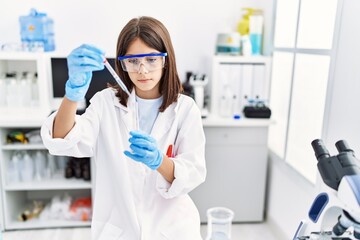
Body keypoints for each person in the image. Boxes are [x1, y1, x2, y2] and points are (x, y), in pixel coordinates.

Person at [41, 16, 206, 240]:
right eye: (133, 60)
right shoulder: (105, 103)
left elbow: (192, 173)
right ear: (122, 63)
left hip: (172, 229)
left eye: (151, 59)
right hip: (119, 229)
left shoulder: (185, 109)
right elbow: (62, 140)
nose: (142, 70)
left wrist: (160, 162)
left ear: (165, 60)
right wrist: (72, 94)